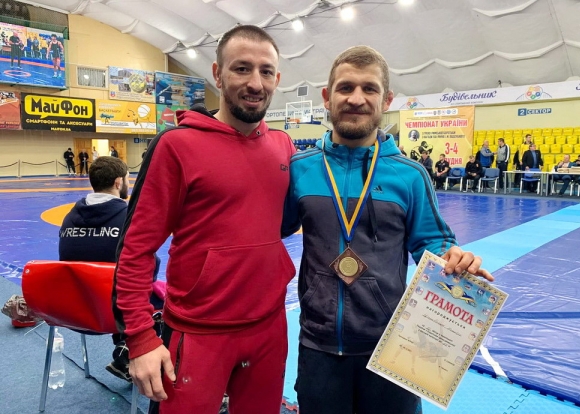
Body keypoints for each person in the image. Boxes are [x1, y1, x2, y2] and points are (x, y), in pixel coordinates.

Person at [285, 45, 493, 414]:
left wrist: (454, 257)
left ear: (387, 100)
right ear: (327, 97)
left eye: (370, 88)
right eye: (345, 88)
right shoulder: (300, 168)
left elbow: (433, 242)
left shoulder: (410, 175)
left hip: (391, 348)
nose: (356, 98)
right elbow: (269, 229)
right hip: (318, 346)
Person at [112, 25, 296, 414]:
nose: (255, 83)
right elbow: (136, 248)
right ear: (217, 74)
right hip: (198, 333)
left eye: (265, 71)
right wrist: (140, 337)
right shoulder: (177, 145)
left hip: (269, 329)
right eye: (241, 68)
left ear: (277, 79)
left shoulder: (283, 146)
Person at [58, 156, 163, 382]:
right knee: (166, 298)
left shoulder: (69, 218)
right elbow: (149, 271)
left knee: (115, 284)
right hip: (116, 313)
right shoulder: (130, 218)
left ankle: (124, 349)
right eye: (127, 179)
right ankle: (132, 353)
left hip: (73, 310)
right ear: (118, 182)